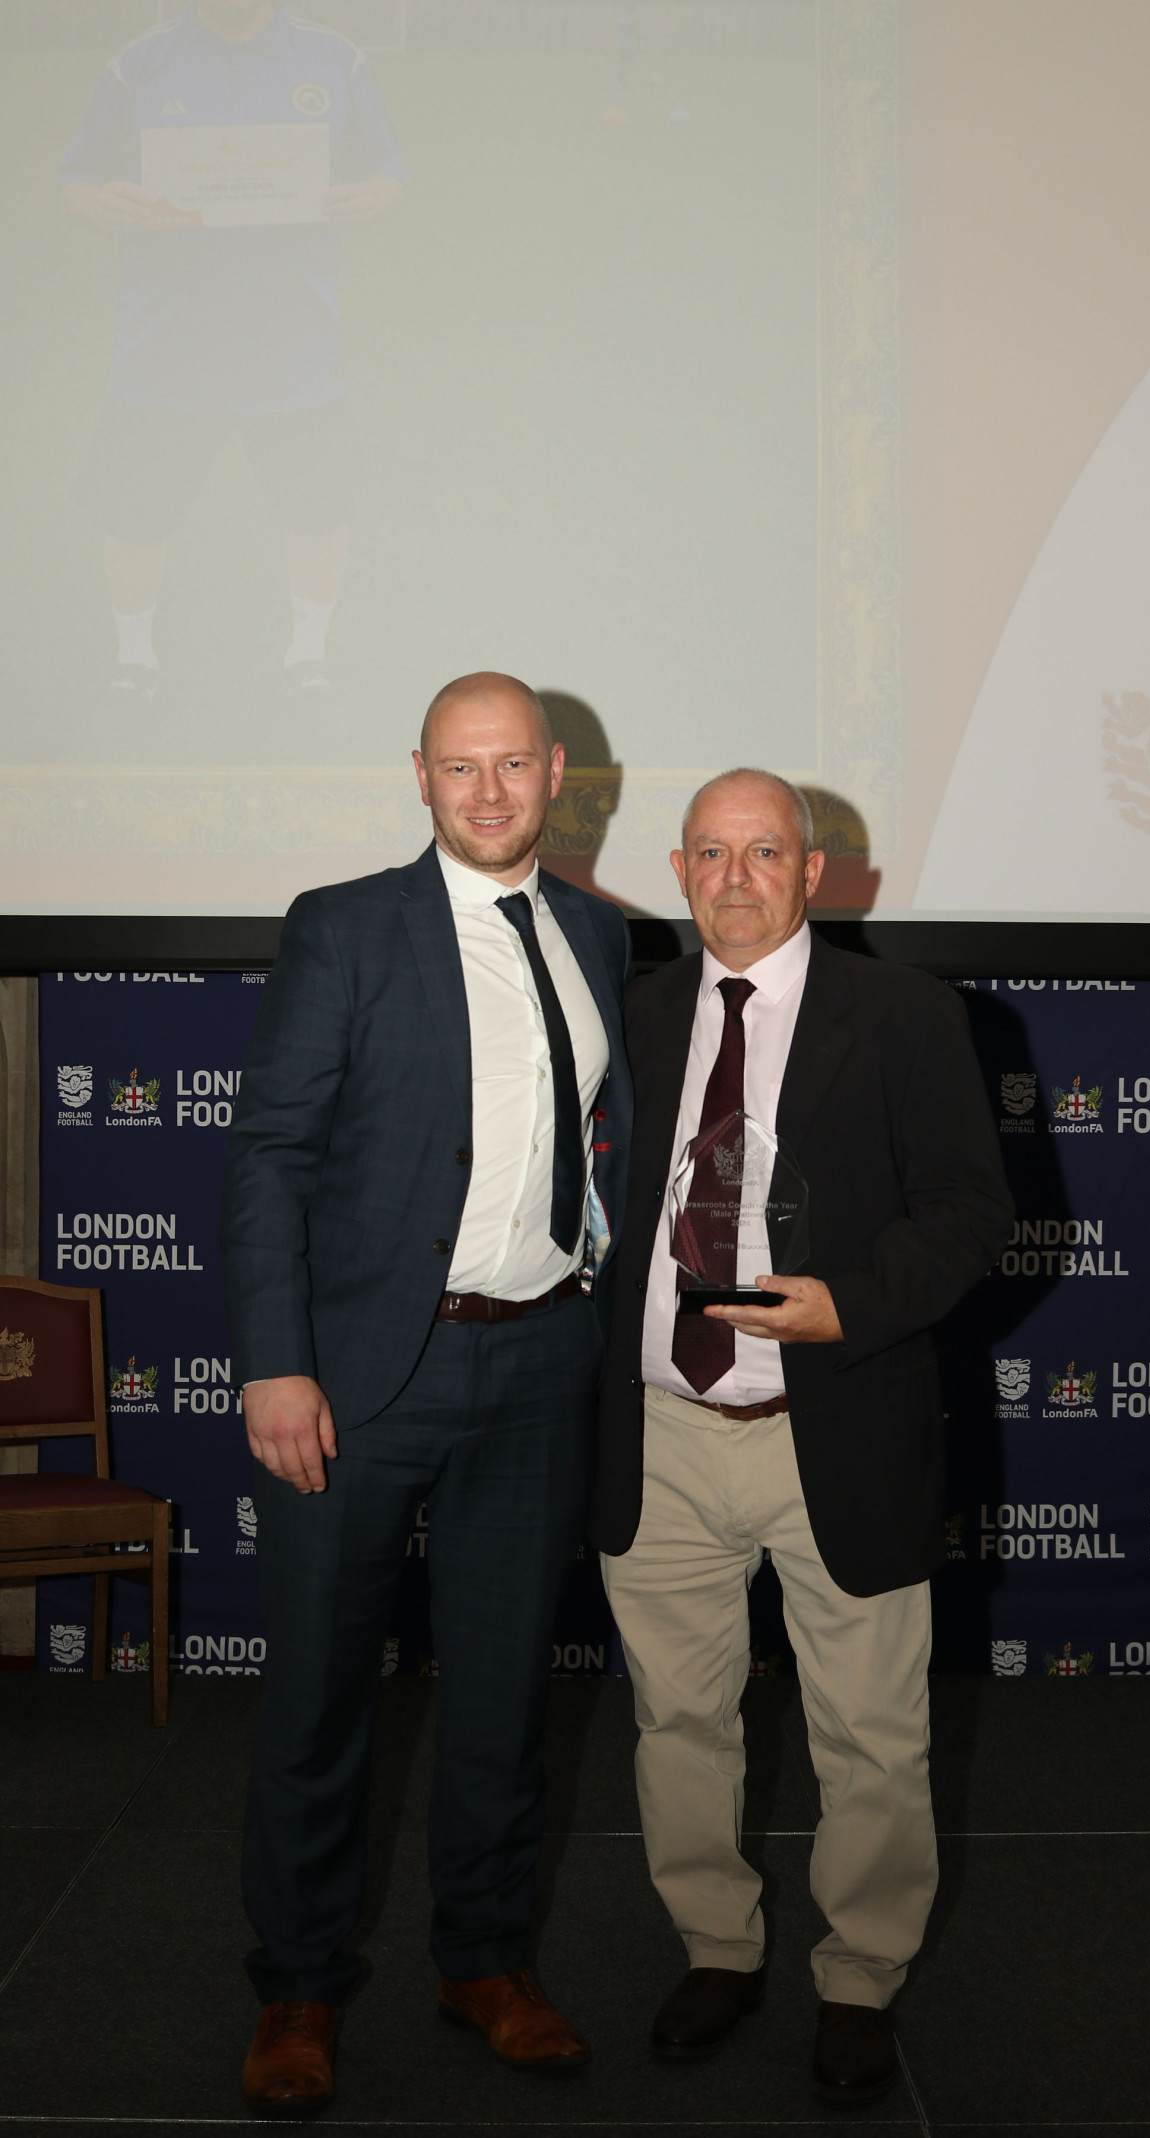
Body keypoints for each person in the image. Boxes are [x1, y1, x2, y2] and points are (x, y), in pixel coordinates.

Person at [220, 672, 632, 2110]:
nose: (488, 791)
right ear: (419, 775)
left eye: (511, 764)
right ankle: (298, 1985)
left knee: (507, 1694)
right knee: (323, 1698)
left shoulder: (595, 930)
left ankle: (484, 1962)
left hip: (537, 1363)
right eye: (459, 768)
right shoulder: (344, 925)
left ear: (558, 770)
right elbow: (271, 1153)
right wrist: (276, 1357)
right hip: (358, 1376)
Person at [591, 768, 1013, 2102]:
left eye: (762, 850)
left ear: (815, 870)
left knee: (872, 1732)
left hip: (838, 1421)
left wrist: (855, 1304)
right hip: (658, 1431)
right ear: (677, 866)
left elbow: (968, 1211)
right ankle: (716, 1943)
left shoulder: (908, 1014)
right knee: (677, 1721)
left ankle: (861, 1973)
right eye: (710, 851)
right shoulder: (632, 1014)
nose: (734, 875)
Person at [59, 0, 404, 734]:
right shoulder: (137, 66)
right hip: (164, 351)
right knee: (133, 515)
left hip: (295, 347)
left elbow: (386, 173)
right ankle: (134, 665)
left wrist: (373, 194)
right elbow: (76, 183)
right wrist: (99, 204)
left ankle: (308, 663)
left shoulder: (336, 61)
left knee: (315, 510)